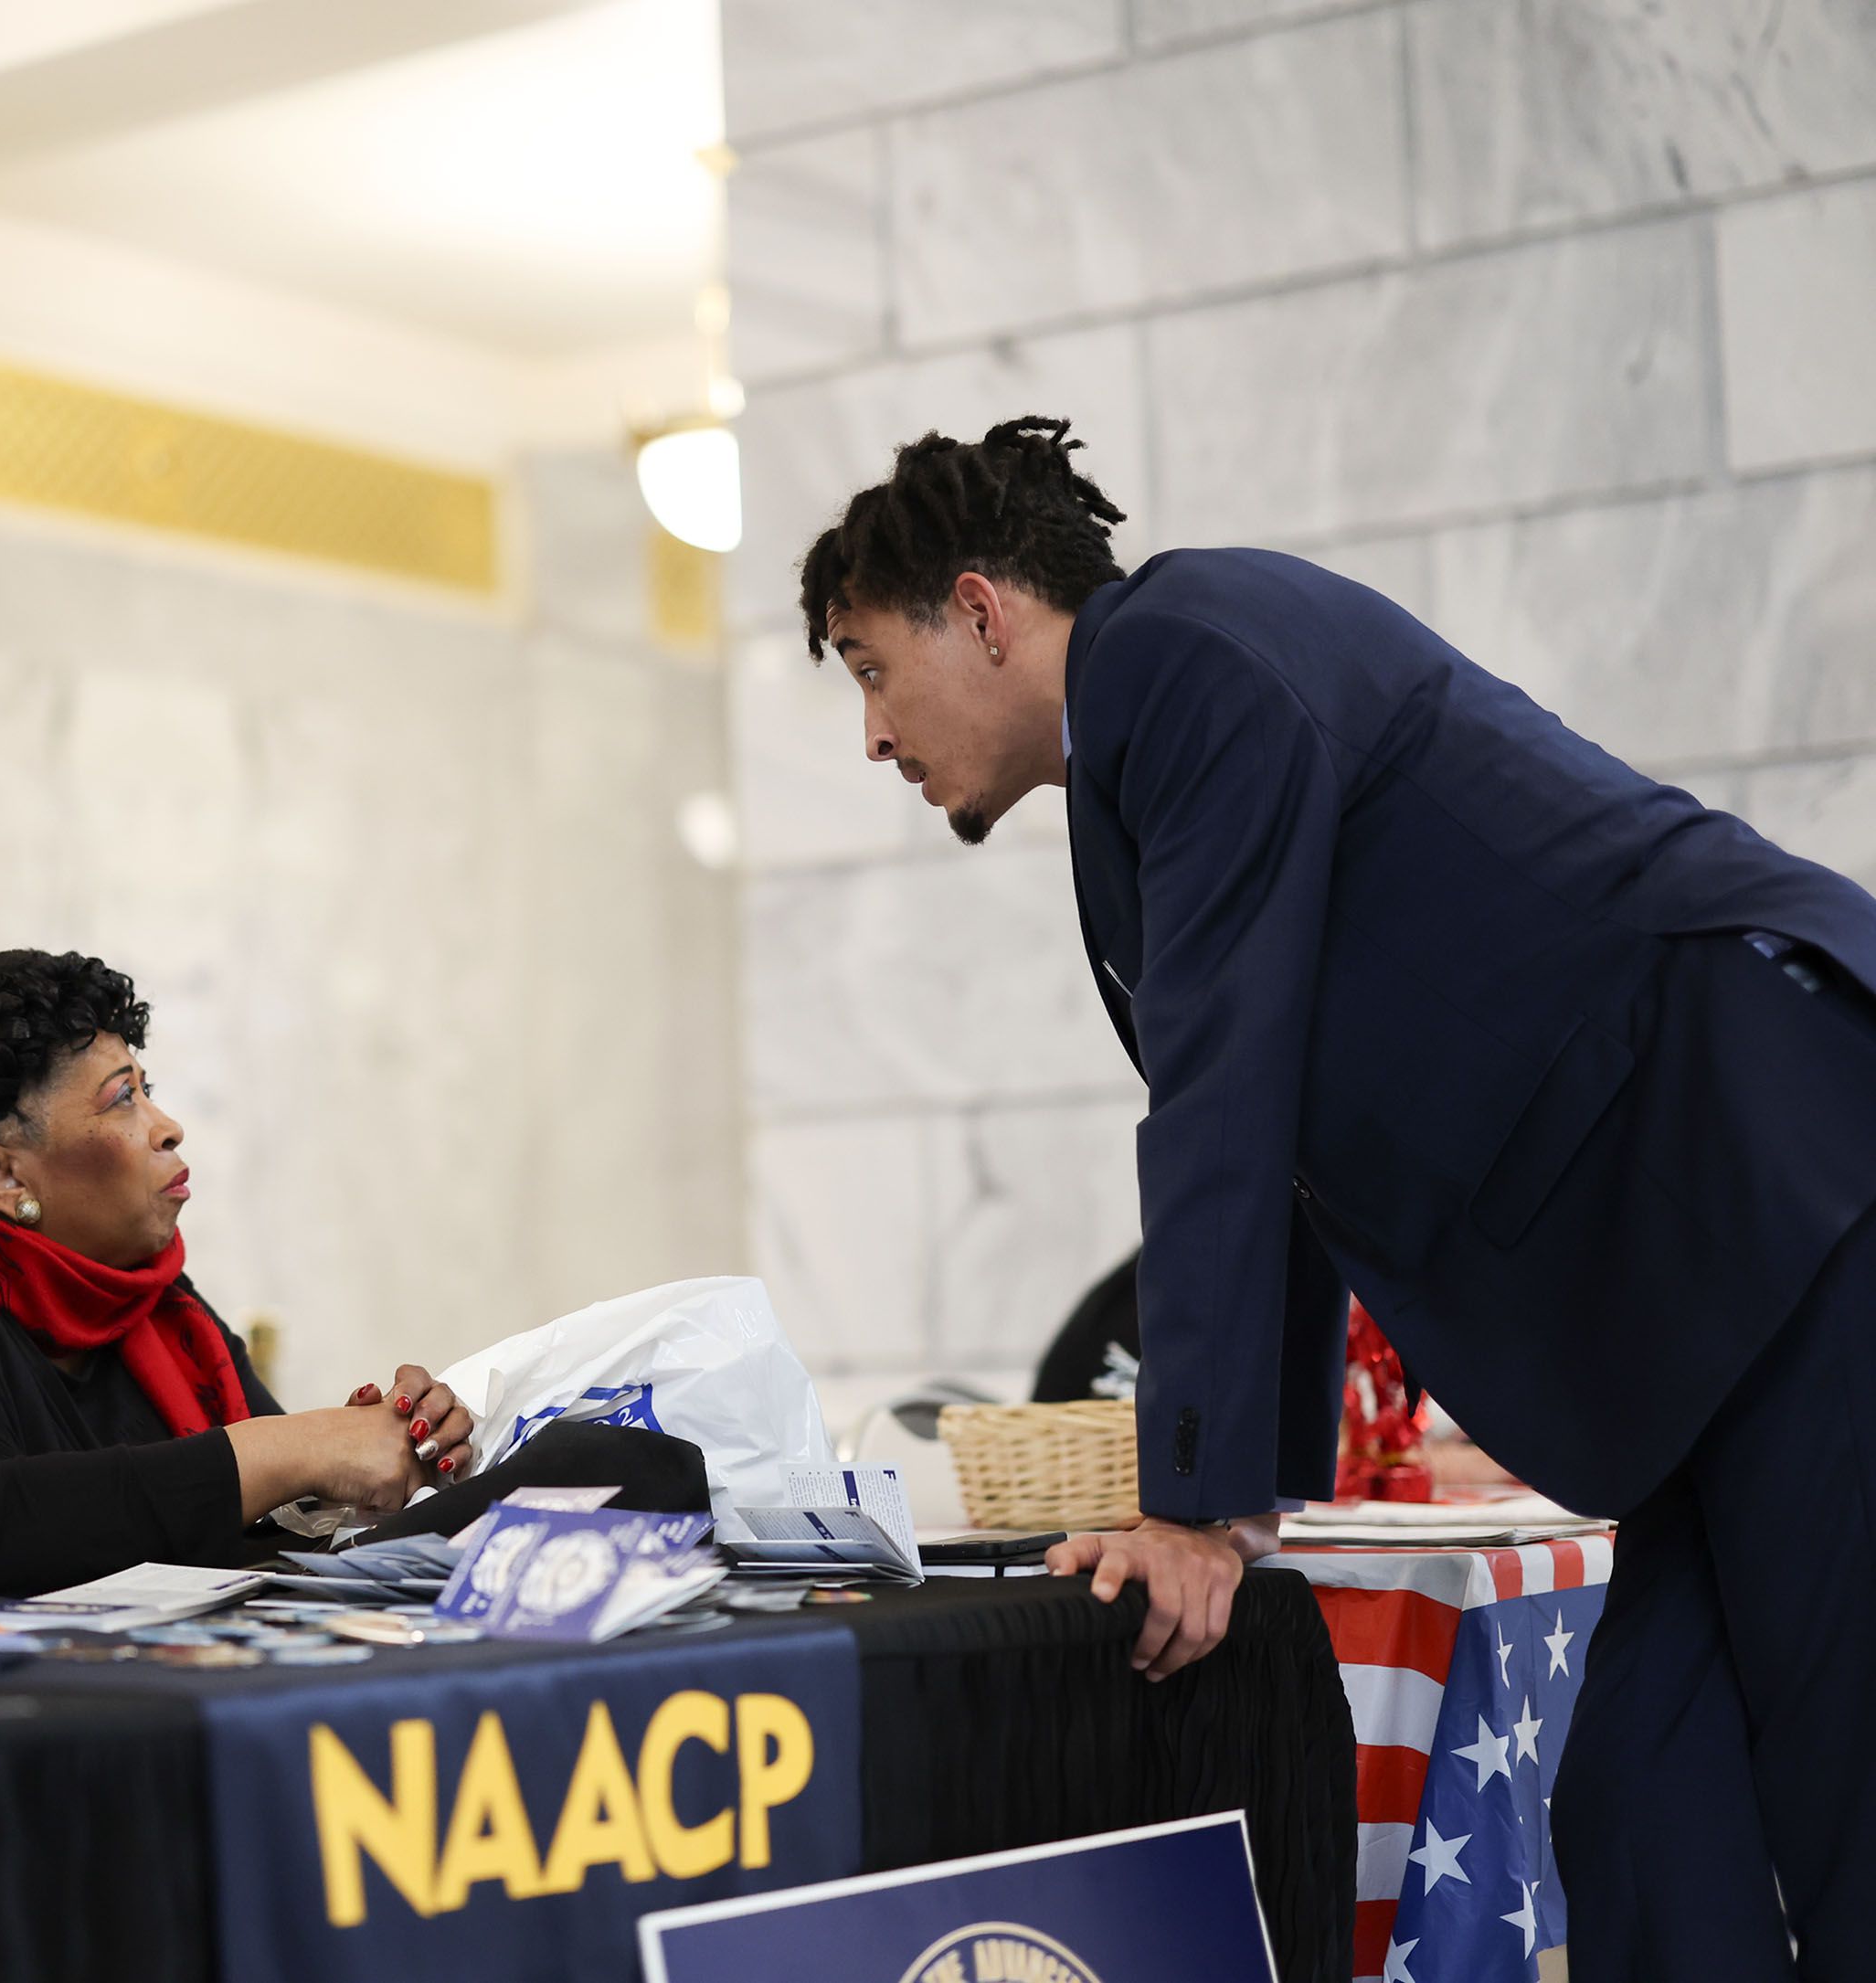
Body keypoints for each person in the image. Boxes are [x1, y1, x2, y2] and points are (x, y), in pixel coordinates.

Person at [796, 418, 1876, 1974]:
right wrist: (1240, 1498)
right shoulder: (1141, 763)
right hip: (1704, 1271)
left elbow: (1226, 1098)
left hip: (1785, 1178)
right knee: (1647, 1810)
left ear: (977, 609)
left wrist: (1188, 1502)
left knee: (1846, 1794)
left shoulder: (1180, 653)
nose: (877, 738)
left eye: (870, 669)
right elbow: (1283, 1129)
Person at [0, 947, 482, 1611]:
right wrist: (287, 1451)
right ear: (3, 1175)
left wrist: (368, 1463)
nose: (165, 1125)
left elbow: (250, 1517)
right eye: (122, 1100)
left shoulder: (159, 1315)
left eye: (146, 1088)